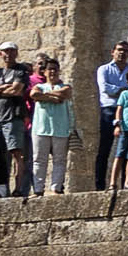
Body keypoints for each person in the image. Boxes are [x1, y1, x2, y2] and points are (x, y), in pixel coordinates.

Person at [0, 42, 34, 196]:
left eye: (12, 51)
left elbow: (17, 89)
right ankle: (2, 187)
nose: (9, 54)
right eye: (5, 51)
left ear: (17, 53)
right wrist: (4, 88)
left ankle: (18, 189)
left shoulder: (20, 70)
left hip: (13, 116)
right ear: (0, 54)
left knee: (16, 153)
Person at [29, 57, 76, 195]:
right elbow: (34, 94)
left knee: (59, 160)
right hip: (40, 128)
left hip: (60, 129)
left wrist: (45, 96)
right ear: (44, 72)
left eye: (55, 69)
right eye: (50, 69)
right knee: (39, 160)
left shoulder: (65, 86)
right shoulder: (39, 86)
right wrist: (53, 98)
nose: (53, 72)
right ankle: (38, 189)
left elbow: (65, 93)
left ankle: (56, 187)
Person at [93, 40, 128, 190]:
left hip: (126, 111)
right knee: (104, 148)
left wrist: (120, 91)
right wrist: (123, 90)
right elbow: (105, 88)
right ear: (112, 51)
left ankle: (124, 183)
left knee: (125, 148)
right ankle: (100, 186)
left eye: (125, 51)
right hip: (109, 110)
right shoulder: (104, 69)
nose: (122, 53)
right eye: (119, 50)